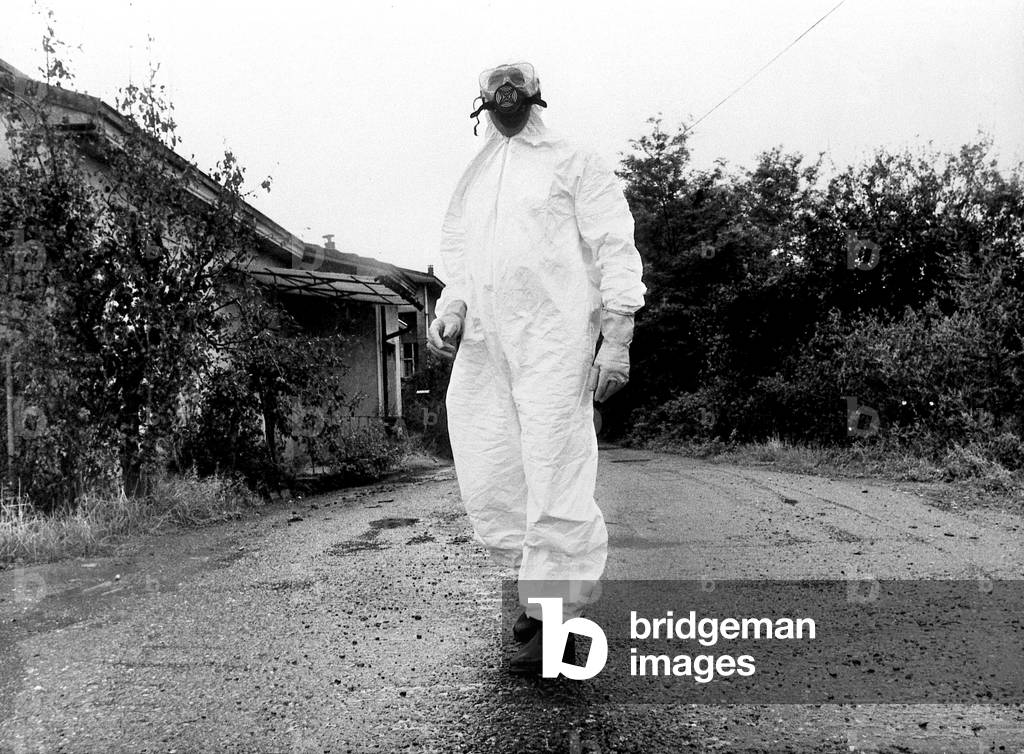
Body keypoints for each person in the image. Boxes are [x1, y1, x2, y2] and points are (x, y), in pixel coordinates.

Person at [427, 61, 645, 676]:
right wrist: (453, 308)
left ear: (535, 95)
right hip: (489, 350)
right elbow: (460, 256)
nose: (505, 98)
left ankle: (551, 619)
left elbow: (614, 246)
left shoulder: (574, 161)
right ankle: (541, 597)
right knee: (497, 472)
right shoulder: (479, 173)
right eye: (494, 91)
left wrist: (618, 335)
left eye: (514, 87)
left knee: (557, 474)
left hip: (554, 344)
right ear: (480, 103)